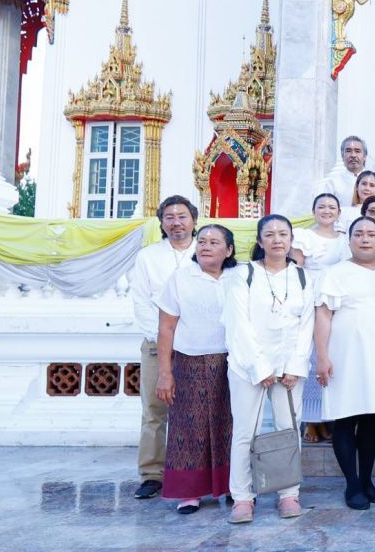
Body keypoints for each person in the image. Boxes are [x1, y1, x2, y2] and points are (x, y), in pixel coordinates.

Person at [223, 215, 315, 523]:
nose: (277, 240)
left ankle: (289, 494)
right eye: (270, 234)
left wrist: (294, 366)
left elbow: (306, 326)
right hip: (247, 366)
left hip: (289, 369)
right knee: (245, 432)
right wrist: (260, 367)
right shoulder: (242, 274)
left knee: (289, 430)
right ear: (260, 241)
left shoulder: (303, 277)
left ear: (291, 241)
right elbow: (239, 324)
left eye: (283, 234)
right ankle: (242, 497)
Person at [315, 216, 375, 510]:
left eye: (371, 234)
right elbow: (323, 315)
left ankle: (367, 480)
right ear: (350, 239)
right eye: (359, 234)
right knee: (345, 418)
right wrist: (322, 355)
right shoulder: (335, 272)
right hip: (344, 353)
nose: (365, 239)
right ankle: (352, 485)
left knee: (370, 419)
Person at [155, 224, 236, 513]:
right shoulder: (180, 278)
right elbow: (166, 327)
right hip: (190, 361)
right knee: (188, 428)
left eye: (214, 242)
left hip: (231, 362)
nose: (205, 246)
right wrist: (165, 373)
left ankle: (231, 486)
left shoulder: (239, 278)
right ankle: (190, 492)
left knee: (230, 426)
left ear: (228, 250)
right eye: (201, 241)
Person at [130, 195, 198, 501]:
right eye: (169, 217)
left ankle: (197, 472)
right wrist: (160, 341)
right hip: (158, 344)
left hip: (201, 345)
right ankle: (152, 474)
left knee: (200, 411)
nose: (176, 222)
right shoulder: (148, 257)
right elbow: (143, 302)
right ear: (161, 223)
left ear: (194, 220)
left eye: (182, 216)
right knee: (155, 411)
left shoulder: (207, 250)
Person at [290, 193, 347, 444]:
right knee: (312, 359)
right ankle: (311, 421)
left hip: (337, 300)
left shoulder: (345, 240)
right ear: (314, 211)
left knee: (332, 357)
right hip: (311, 299)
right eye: (321, 206)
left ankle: (326, 420)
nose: (326, 210)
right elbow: (296, 269)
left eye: (331, 207)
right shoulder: (304, 236)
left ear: (338, 212)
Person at [318, 136, 368, 204]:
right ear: (342, 155)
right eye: (348, 151)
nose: (353, 155)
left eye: (357, 151)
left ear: (365, 156)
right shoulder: (333, 182)